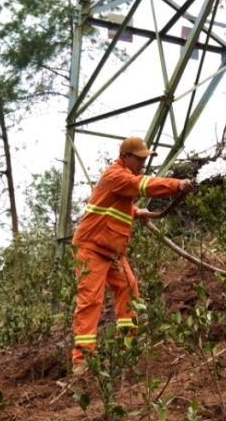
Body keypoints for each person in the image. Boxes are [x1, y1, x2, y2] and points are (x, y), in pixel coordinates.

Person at [71, 136, 194, 373]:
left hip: (112, 251)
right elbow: (140, 185)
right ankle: (82, 361)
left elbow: (116, 201)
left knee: (129, 292)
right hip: (91, 247)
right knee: (90, 301)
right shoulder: (115, 175)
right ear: (125, 156)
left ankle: (127, 347)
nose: (142, 163)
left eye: (144, 159)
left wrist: (136, 212)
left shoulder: (120, 179)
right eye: (139, 159)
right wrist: (175, 185)